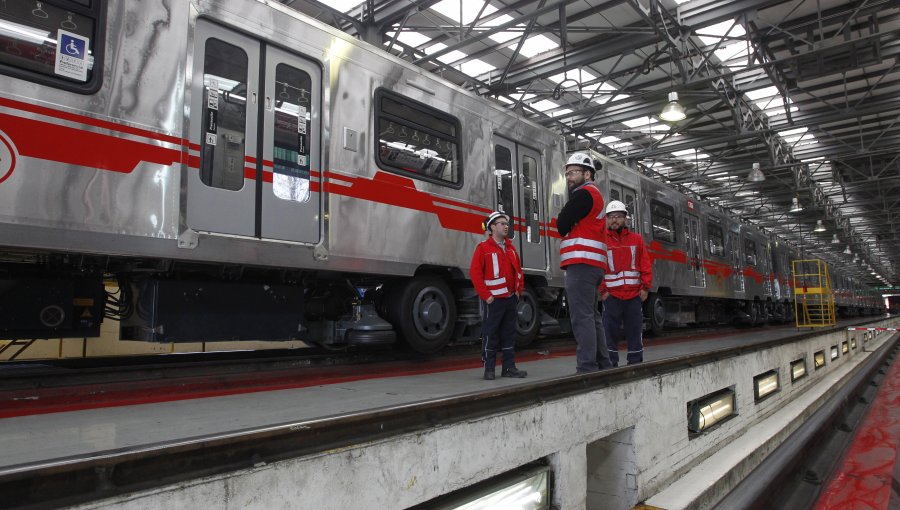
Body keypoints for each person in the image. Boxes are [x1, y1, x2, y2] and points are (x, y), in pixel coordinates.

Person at [557, 153, 612, 373]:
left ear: (587, 174)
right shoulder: (595, 196)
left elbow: (562, 222)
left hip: (582, 264)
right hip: (593, 266)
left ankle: (587, 367)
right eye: (567, 173)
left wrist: (566, 225)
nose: (569, 177)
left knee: (582, 317)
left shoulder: (584, 194)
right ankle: (603, 363)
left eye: (573, 173)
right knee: (592, 316)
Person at [470, 211, 528, 380]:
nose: (506, 226)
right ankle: (489, 369)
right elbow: (475, 274)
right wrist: (486, 296)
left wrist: (518, 293)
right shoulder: (483, 248)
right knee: (491, 333)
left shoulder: (511, 249)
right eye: (502, 223)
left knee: (509, 334)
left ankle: (509, 368)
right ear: (492, 227)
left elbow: (518, 272)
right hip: (493, 301)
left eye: (506, 224)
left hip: (510, 299)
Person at [600, 200, 653, 366]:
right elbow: (598, 267)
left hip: (633, 296)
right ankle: (611, 363)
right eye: (611, 217)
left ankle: (635, 362)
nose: (614, 220)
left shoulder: (636, 240)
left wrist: (645, 287)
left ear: (625, 219)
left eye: (618, 217)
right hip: (612, 296)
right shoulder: (602, 241)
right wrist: (603, 291)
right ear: (606, 220)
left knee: (635, 331)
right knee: (609, 332)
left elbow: (645, 264)